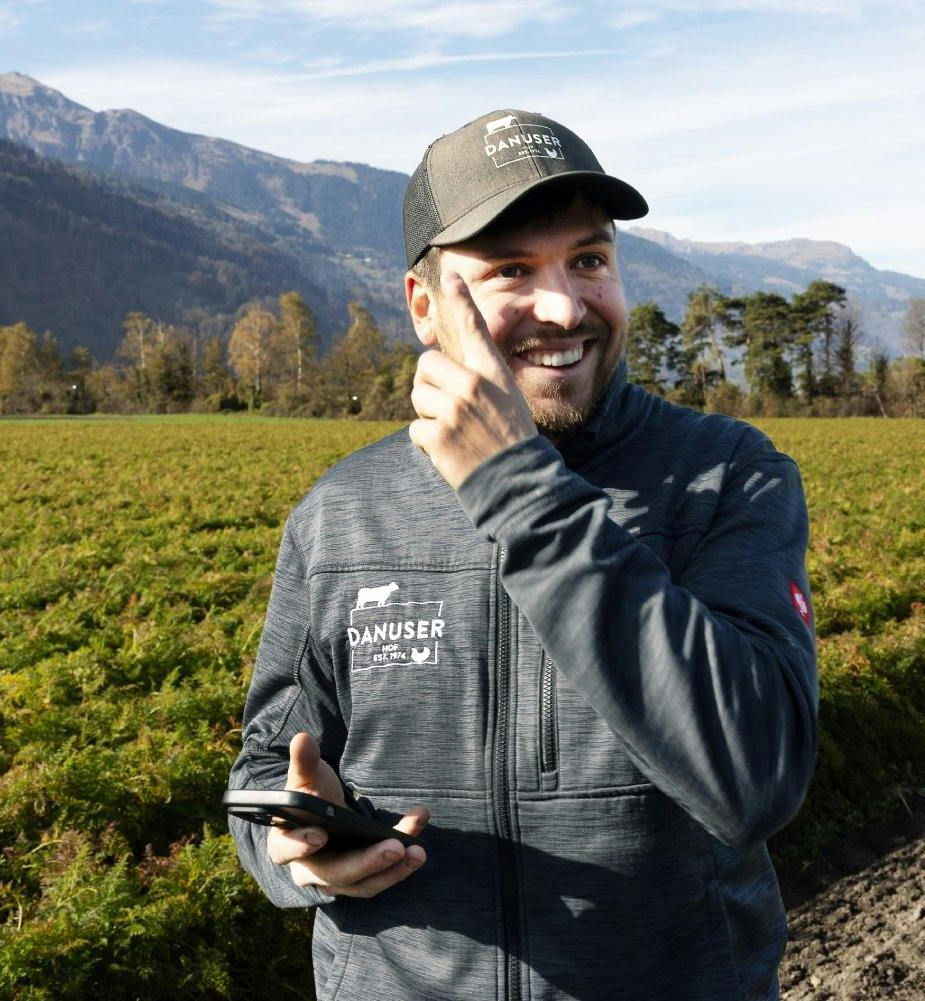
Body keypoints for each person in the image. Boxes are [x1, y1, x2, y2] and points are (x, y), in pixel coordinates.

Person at [225, 108, 820, 1001]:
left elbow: (754, 777)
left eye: (588, 259)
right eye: (511, 270)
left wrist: (517, 485)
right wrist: (300, 854)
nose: (564, 305)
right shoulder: (344, 512)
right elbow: (270, 759)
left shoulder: (727, 478)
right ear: (426, 306)